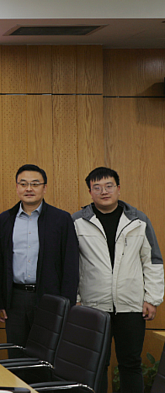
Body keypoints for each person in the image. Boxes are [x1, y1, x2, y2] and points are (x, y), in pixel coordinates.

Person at [73, 167, 164, 393]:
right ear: (90, 192)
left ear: (118, 188)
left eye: (109, 186)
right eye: (97, 187)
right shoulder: (77, 221)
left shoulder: (139, 220)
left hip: (131, 306)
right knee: (96, 365)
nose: (104, 191)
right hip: (92, 306)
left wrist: (152, 299)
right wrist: (76, 299)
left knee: (131, 364)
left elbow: (152, 261)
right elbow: (70, 264)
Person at [0, 164, 79, 357]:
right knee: (16, 355)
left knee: (45, 356)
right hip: (15, 299)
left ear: (44, 188)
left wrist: (67, 305)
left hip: (49, 298)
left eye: (35, 184)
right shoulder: (5, 219)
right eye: (23, 184)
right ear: (17, 187)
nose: (29, 189)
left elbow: (71, 265)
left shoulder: (61, 219)